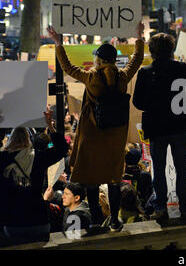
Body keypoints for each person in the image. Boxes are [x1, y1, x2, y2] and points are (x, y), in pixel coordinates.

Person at [47, 22, 145, 232]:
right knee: (114, 179)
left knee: (91, 179)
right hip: (115, 137)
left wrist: (58, 43)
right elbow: (136, 62)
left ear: (99, 59)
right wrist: (139, 38)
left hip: (93, 135)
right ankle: (115, 221)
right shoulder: (121, 77)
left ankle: (95, 221)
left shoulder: (91, 77)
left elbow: (67, 67)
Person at [132, 33, 186, 222]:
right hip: (178, 125)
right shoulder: (180, 68)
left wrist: (154, 105)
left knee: (159, 170)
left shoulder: (145, 72)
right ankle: (185, 206)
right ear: (171, 49)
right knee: (182, 169)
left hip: (156, 127)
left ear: (152, 50)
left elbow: (137, 102)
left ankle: (161, 207)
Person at [0, 109, 69, 245]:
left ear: (10, 140)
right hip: (39, 220)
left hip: (13, 223)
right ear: (28, 139)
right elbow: (62, 149)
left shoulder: (3, 159)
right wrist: (50, 126)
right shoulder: (39, 157)